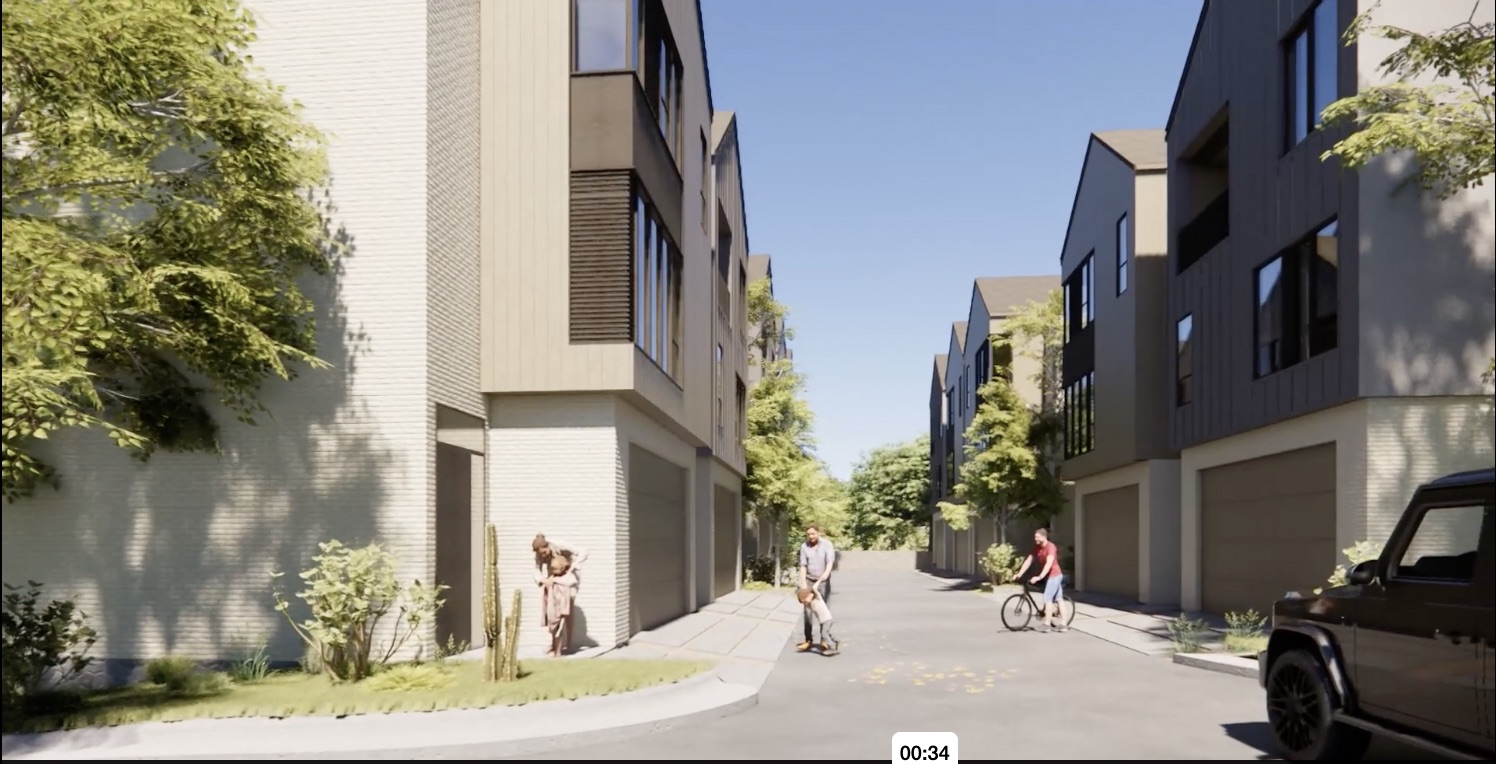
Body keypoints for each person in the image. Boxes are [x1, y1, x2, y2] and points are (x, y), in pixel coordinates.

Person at [532, 534, 588, 655]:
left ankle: (568, 644)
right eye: (540, 554)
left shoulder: (559, 544)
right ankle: (554, 644)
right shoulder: (538, 555)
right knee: (552, 613)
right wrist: (542, 580)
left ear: (547, 546)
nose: (543, 556)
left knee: (567, 610)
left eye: (544, 552)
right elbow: (536, 569)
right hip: (554, 580)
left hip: (567, 579)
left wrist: (573, 567)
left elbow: (583, 552)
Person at [1014, 527, 1068, 632]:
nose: (1036, 539)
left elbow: (1049, 563)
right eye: (1035, 537)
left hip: (1054, 575)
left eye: (1037, 537)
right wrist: (1019, 574)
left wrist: (1039, 577)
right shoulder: (1037, 548)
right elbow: (1028, 561)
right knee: (1058, 599)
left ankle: (1047, 624)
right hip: (1048, 576)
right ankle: (1064, 624)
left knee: (1048, 598)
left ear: (1044, 537)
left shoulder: (1051, 547)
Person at [795, 525, 837, 652]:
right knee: (808, 613)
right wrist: (803, 584)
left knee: (823, 610)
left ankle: (824, 640)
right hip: (809, 580)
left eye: (813, 534)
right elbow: (803, 565)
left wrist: (821, 580)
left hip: (823, 581)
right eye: (808, 534)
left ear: (818, 533)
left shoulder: (827, 545)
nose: (811, 536)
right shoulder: (804, 546)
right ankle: (808, 640)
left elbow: (829, 563)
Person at [541, 555, 579, 658]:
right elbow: (547, 586)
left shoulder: (568, 577)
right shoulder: (553, 577)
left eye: (555, 568)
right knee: (553, 630)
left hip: (563, 608)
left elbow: (570, 582)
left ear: (562, 568)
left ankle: (559, 651)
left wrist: (555, 581)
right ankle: (554, 648)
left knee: (559, 630)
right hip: (553, 607)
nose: (553, 570)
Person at [796, 585, 839, 656]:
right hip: (822, 621)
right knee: (826, 633)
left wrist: (816, 584)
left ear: (809, 595)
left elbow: (814, 589)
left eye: (805, 601)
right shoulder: (810, 604)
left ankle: (831, 647)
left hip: (827, 619)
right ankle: (835, 640)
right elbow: (807, 605)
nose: (805, 603)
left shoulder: (818, 598)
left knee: (824, 633)